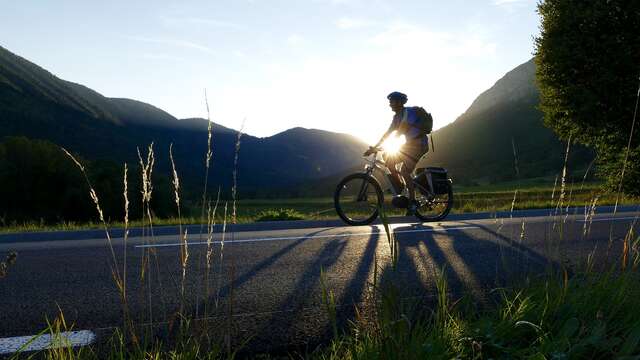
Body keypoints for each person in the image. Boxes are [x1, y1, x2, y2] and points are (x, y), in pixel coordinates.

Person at [364, 91, 430, 214]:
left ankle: (412, 201)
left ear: (400, 102)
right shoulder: (396, 117)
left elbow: (400, 131)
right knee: (388, 159)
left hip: (419, 144)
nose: (390, 104)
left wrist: (386, 145)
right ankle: (401, 187)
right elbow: (387, 133)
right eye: (390, 102)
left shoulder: (408, 113)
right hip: (410, 145)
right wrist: (374, 147)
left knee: (404, 171)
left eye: (392, 101)